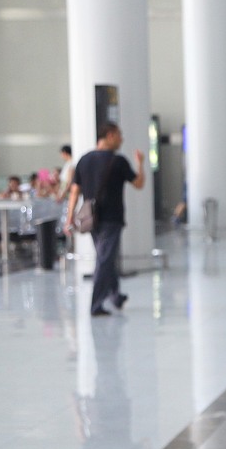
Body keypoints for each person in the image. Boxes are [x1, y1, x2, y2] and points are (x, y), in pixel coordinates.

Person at [65, 122, 146, 317]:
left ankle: (115, 295)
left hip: (91, 218)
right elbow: (139, 184)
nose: (121, 139)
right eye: (119, 135)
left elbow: (74, 192)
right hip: (112, 218)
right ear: (109, 136)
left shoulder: (84, 160)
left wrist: (69, 219)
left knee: (106, 258)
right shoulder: (118, 161)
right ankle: (96, 304)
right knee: (104, 260)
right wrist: (141, 164)